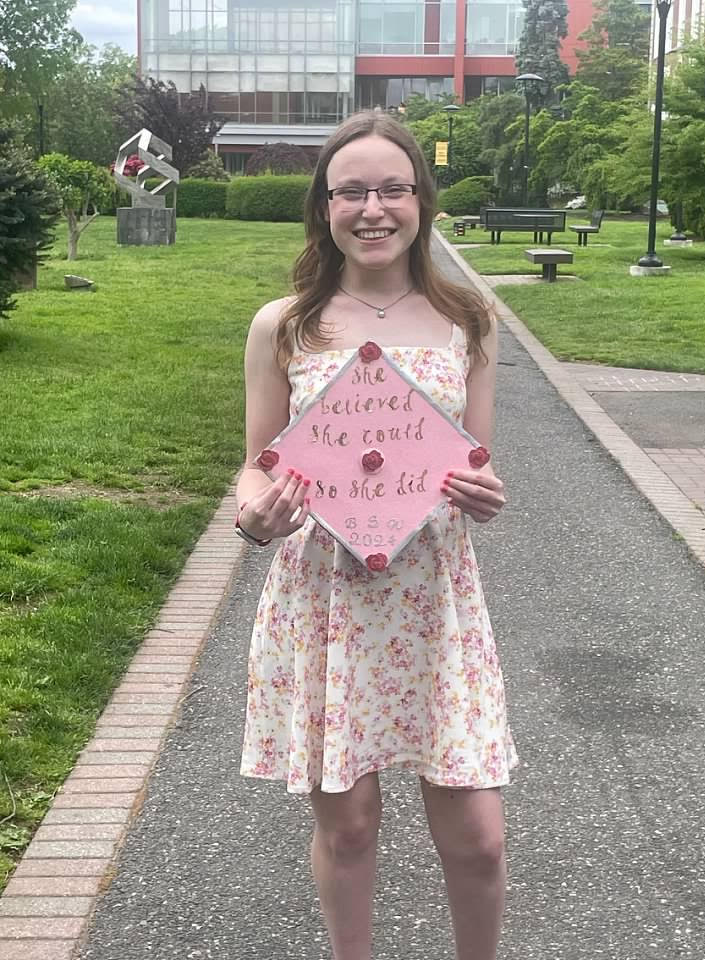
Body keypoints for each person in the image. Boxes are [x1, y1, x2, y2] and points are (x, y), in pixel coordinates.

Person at [234, 111, 518, 960]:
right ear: (323, 208)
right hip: (325, 598)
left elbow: (475, 460)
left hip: (434, 599)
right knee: (350, 829)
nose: (373, 207)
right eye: (350, 190)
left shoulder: (469, 319)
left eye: (392, 188)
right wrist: (255, 514)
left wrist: (484, 492)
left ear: (420, 200)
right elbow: (257, 464)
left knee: (478, 836)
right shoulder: (283, 324)